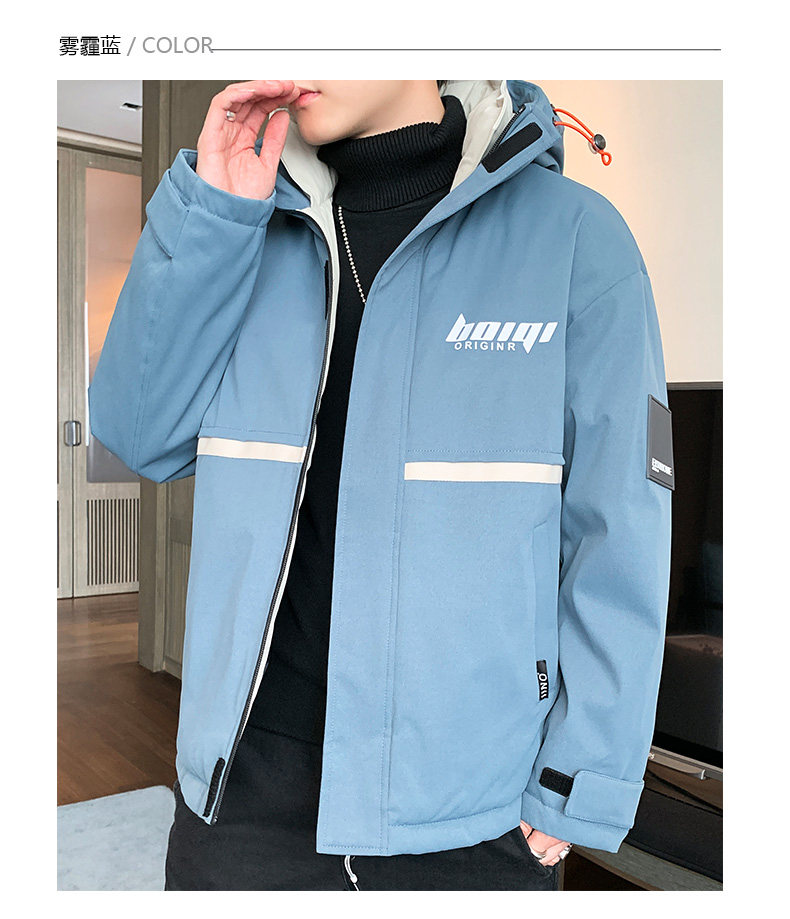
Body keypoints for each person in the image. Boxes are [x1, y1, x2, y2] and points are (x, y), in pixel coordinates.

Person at [88, 79, 673, 890]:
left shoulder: (576, 238)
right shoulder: (244, 227)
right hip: (243, 797)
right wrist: (213, 214)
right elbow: (139, 434)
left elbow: (624, 526)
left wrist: (587, 771)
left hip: (471, 806)